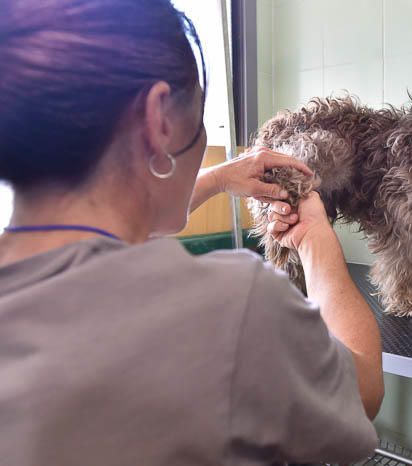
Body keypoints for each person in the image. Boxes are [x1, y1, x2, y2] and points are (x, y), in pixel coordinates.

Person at [0, 1, 384, 465]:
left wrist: (218, 178)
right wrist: (315, 240)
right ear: (159, 117)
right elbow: (362, 393)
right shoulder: (236, 305)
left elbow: (106, 244)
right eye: (199, 113)